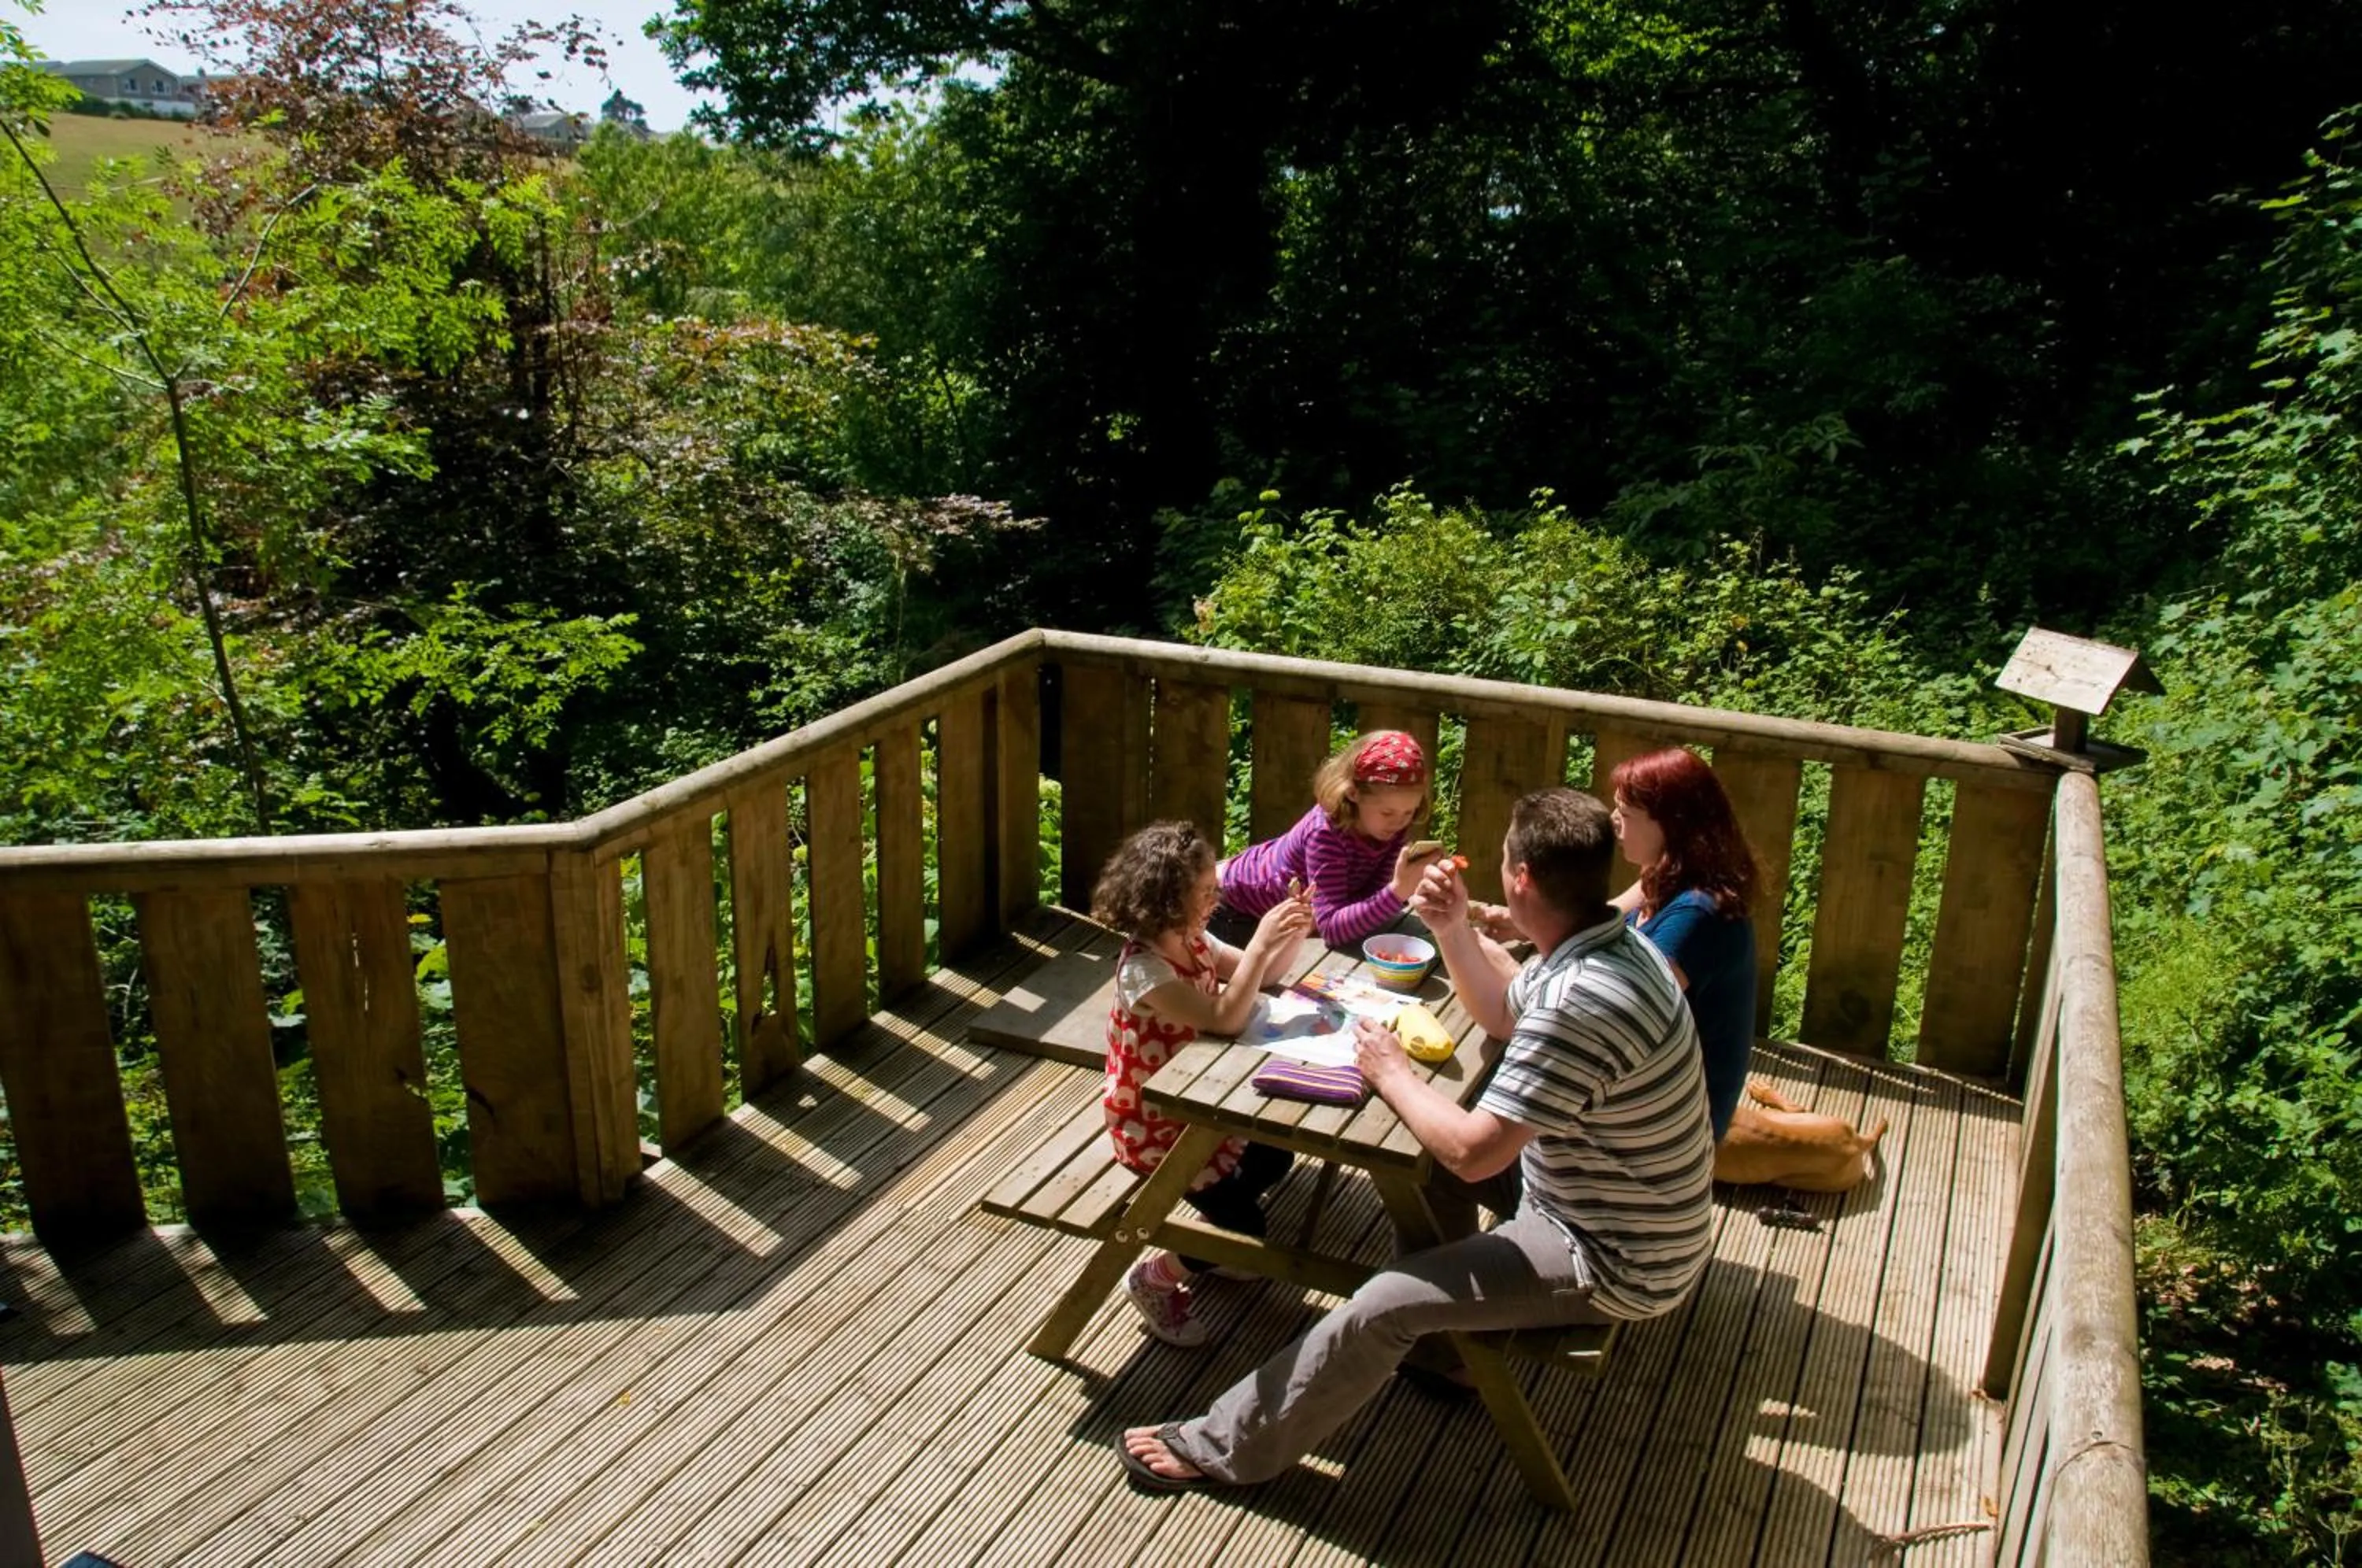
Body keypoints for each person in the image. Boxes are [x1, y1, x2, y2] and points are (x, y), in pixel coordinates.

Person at [1117, 788, 1715, 1492]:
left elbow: (1473, 1153)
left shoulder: (1578, 1002)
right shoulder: (1611, 947)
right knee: (1418, 1159)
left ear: (1521, 878)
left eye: (1503, 862)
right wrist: (1454, 927)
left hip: (1614, 1255)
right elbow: (1504, 1015)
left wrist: (1393, 1074)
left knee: (1386, 1300)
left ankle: (1221, 1445)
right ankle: (1445, 1348)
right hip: (1613, 1197)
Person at [1094, 820, 1316, 1348]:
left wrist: (1292, 931)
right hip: (1154, 1124)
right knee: (1247, 1230)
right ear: (1168, 900)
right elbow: (1225, 1017)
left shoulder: (1193, 940)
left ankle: (1217, 1229)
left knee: (1275, 1157)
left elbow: (1262, 978)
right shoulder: (1145, 971)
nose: (1217, 897)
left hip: (1201, 1095)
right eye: (1206, 891)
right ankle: (1154, 1278)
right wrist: (1259, 944)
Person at [1608, 748, 1760, 1142]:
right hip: (1647, 1089)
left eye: (1625, 814)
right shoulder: (1667, 875)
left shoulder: (1699, 914)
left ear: (1670, 825)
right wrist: (1521, 921)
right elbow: (1602, 919)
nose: (1613, 822)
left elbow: (1617, 1014)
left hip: (1673, 1131)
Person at [1217, 730, 1444, 949]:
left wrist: (1402, 888)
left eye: (1409, 812)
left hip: (1290, 917)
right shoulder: (1326, 833)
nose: (1399, 823)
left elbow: (1368, 896)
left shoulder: (1389, 826)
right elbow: (1330, 928)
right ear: (1353, 792)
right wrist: (1397, 892)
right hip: (1236, 909)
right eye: (1388, 813)